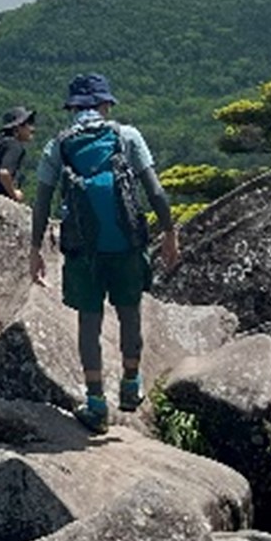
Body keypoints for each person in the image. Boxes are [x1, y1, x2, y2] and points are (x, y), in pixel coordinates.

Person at [29, 72, 180, 433]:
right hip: (126, 243)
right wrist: (171, 232)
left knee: (89, 323)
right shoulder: (127, 136)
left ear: (74, 108)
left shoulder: (57, 146)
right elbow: (155, 191)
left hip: (83, 251)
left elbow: (41, 202)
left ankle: (96, 402)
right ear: (105, 104)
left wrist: (34, 249)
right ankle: (130, 384)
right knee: (130, 313)